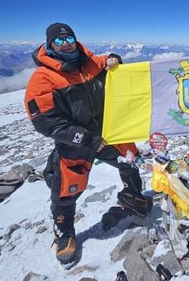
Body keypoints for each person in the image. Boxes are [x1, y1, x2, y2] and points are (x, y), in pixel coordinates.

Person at [24, 23, 152, 267]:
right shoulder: (42, 78)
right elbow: (45, 122)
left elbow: (106, 62)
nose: (66, 43)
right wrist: (84, 138)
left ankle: (133, 195)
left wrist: (115, 59)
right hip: (77, 141)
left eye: (69, 38)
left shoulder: (90, 62)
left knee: (130, 161)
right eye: (59, 41)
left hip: (110, 132)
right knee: (66, 188)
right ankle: (64, 232)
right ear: (49, 45)